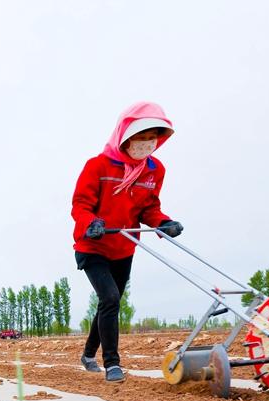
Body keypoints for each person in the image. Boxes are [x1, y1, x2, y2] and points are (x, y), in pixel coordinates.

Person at [71, 102, 184, 383]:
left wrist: (163, 223)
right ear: (125, 136)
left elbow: (149, 209)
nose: (146, 144)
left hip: (124, 246)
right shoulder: (98, 166)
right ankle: (112, 364)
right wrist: (91, 223)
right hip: (93, 245)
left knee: (110, 302)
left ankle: (88, 354)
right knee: (109, 299)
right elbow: (80, 205)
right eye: (141, 138)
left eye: (152, 138)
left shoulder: (154, 170)